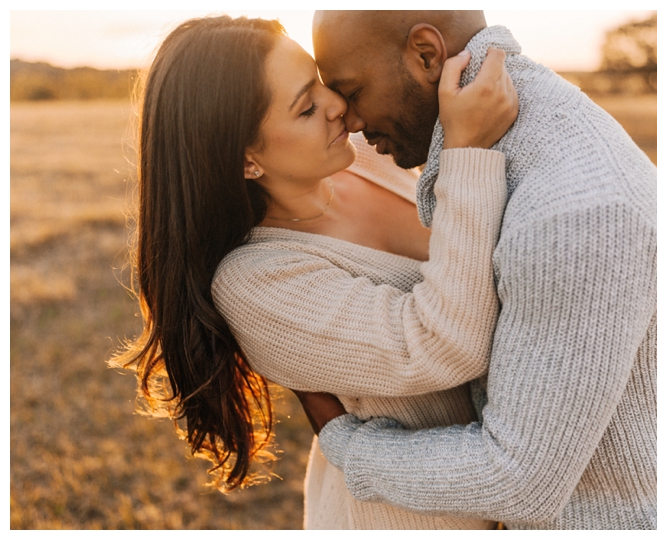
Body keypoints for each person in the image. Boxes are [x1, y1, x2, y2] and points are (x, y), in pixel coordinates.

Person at [300, 10, 657, 529]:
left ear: (426, 56)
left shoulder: (577, 214)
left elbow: (516, 479)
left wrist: (346, 442)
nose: (351, 119)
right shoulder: (511, 131)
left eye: (353, 90)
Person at [110, 15, 519, 529]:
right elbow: (444, 344)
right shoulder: (256, 282)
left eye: (322, 84)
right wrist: (466, 153)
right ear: (244, 159)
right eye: (307, 107)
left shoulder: (368, 156)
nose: (340, 108)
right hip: (409, 519)